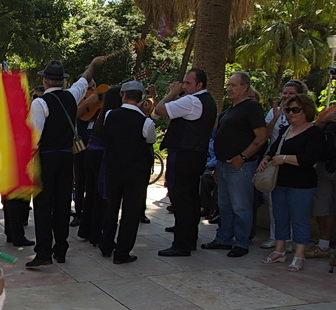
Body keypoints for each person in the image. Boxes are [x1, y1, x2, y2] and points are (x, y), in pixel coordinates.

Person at [27, 56, 106, 267]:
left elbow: (34, 138)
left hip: (45, 158)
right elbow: (84, 79)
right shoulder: (72, 96)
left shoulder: (40, 103)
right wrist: (93, 64)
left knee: (43, 205)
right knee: (62, 203)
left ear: (44, 81)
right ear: (63, 81)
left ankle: (43, 252)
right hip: (66, 156)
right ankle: (60, 249)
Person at [201, 72, 267, 257]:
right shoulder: (230, 110)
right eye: (228, 85)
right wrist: (219, 166)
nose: (229, 89)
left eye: (233, 85)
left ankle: (242, 242)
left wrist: (243, 157)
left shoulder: (251, 107)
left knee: (241, 206)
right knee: (225, 206)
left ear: (244, 87)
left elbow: (261, 136)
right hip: (223, 165)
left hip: (241, 166)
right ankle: (223, 239)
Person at [155, 68, 218, 257]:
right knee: (190, 198)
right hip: (195, 155)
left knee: (180, 197)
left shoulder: (192, 101)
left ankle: (182, 243)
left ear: (199, 85)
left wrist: (172, 93)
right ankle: (189, 237)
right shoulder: (207, 101)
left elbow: (159, 110)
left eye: (188, 83)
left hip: (184, 154)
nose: (184, 85)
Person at [257, 94, 323, 272]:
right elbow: (273, 148)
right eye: (288, 110)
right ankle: (279, 250)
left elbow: (310, 159)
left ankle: (299, 255)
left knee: (299, 219)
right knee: (280, 217)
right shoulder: (286, 130)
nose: (291, 113)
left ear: (306, 111)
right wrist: (267, 158)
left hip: (302, 184)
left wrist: (284, 159)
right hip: (281, 181)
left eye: (296, 110)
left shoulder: (314, 132)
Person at [98, 81, 157, 264]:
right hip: (135, 173)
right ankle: (122, 251)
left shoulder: (109, 115)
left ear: (123, 95)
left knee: (111, 207)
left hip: (114, 169)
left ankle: (106, 244)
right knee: (130, 213)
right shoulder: (145, 122)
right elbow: (150, 141)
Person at [305, 68, 336, 266]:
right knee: (323, 206)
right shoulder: (332, 109)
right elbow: (312, 131)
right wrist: (325, 121)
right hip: (325, 164)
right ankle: (324, 246)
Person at [259, 80, 307, 250]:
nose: (286, 96)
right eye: (285, 93)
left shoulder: (304, 118)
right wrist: (277, 117)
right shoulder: (274, 113)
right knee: (274, 203)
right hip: (275, 161)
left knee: (294, 207)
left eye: (291, 93)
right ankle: (275, 237)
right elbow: (266, 135)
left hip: (294, 164)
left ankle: (293, 240)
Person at [77, 86, 122, 246]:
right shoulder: (113, 115)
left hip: (91, 152)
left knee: (91, 193)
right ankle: (96, 233)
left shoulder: (102, 115)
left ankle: (86, 230)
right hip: (101, 156)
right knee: (101, 195)